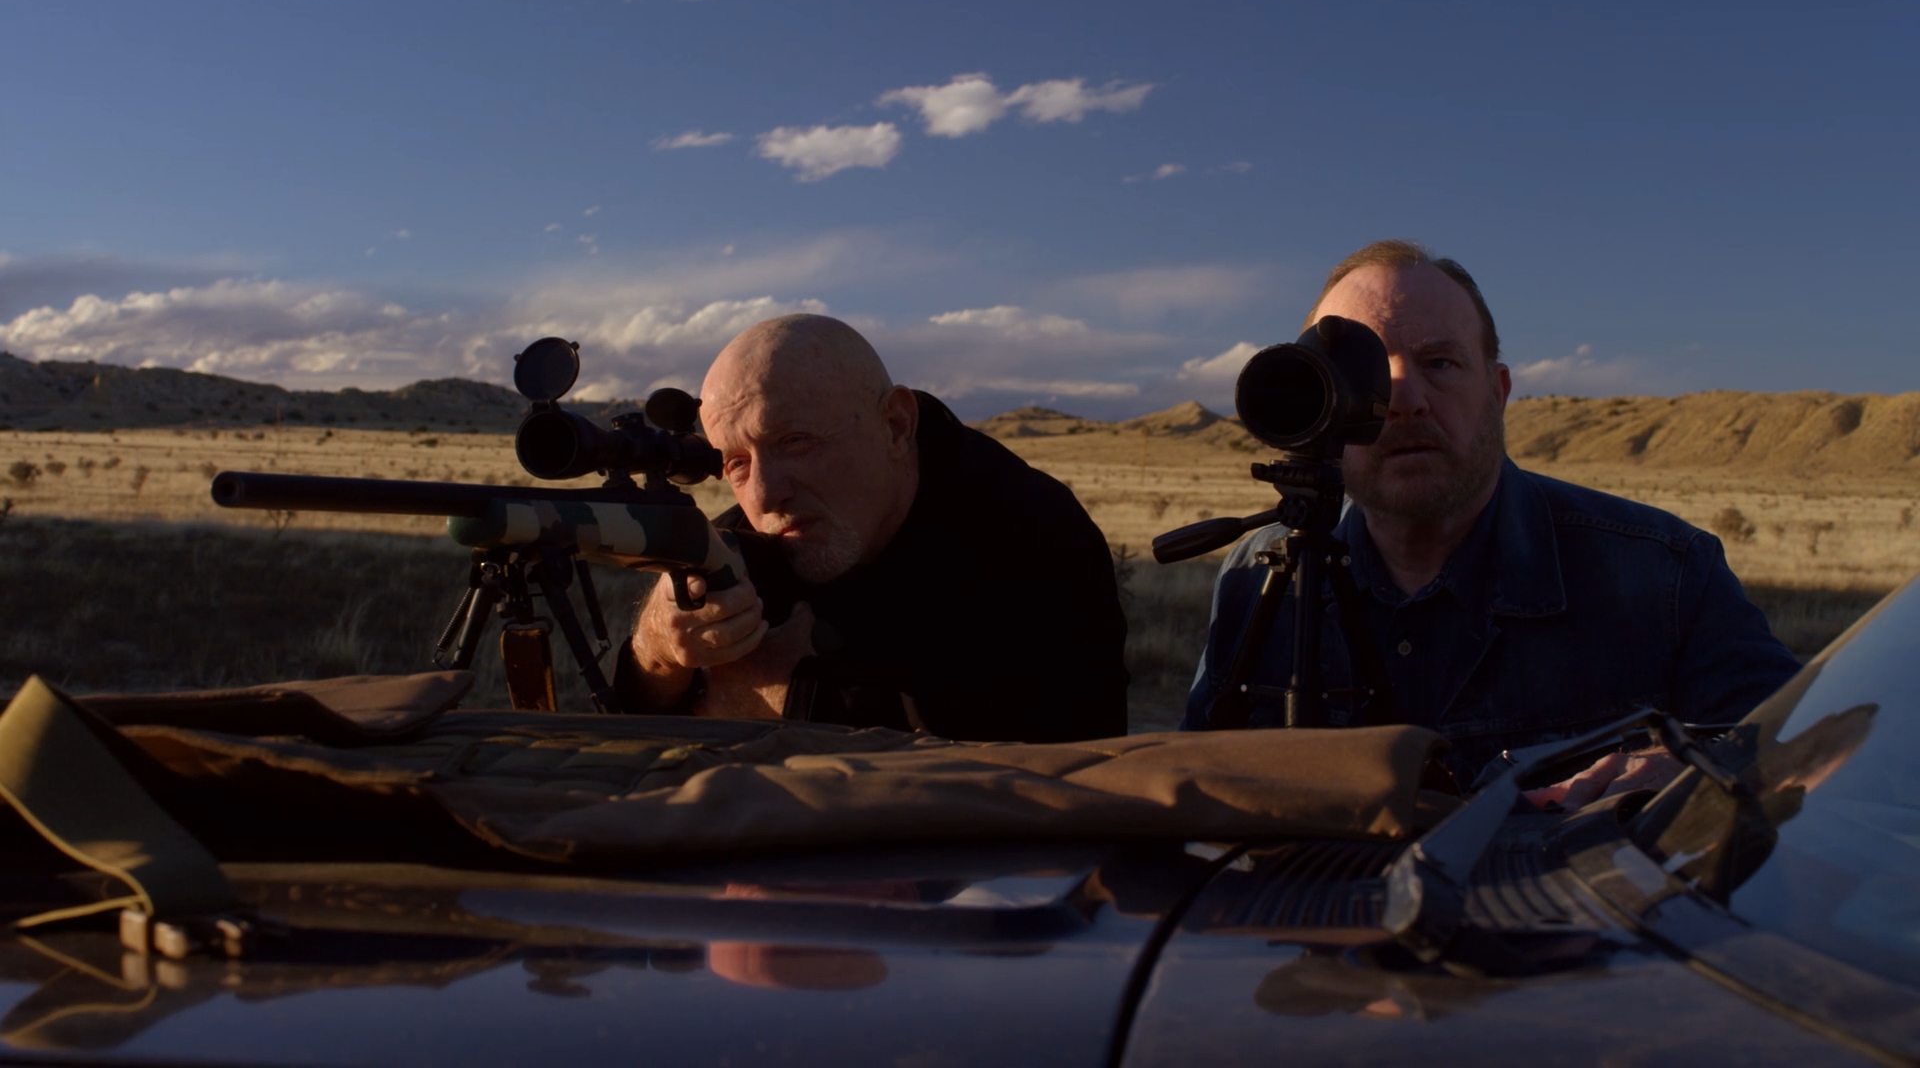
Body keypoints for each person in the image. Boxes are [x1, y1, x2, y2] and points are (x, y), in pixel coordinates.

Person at [1183, 240, 1800, 796]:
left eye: (1439, 363)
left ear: (1498, 392)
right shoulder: (1262, 574)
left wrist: (1692, 770)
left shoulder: (1663, 574)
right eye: (1366, 373)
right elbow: (1189, 786)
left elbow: (1811, 746)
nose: (1405, 400)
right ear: (1319, 402)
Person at [614, 313, 1129, 742]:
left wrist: (792, 703)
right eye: (736, 463)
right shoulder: (746, 540)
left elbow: (1058, 768)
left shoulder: (1031, 533)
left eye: (795, 442)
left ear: (896, 426)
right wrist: (657, 652)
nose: (765, 496)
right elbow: (626, 734)